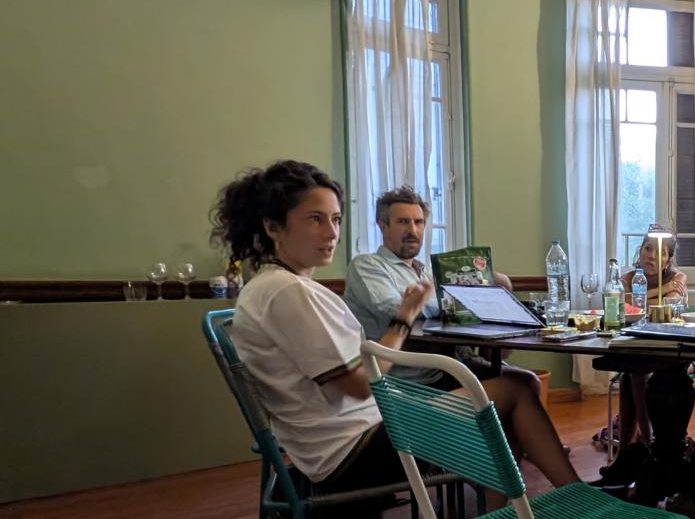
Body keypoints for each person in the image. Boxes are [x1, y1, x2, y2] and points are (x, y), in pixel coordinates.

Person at [210, 161, 579, 497]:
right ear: (273, 227)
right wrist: (404, 317)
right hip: (355, 449)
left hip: (352, 435)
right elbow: (360, 385)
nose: (331, 232)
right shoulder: (288, 292)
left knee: (505, 392)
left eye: (335, 219)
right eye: (315, 219)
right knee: (514, 389)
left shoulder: (272, 286)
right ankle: (571, 499)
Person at [344, 185, 518, 390]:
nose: (412, 230)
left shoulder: (427, 273)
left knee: (524, 379)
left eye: (418, 222)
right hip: (408, 380)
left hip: (451, 366)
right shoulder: (367, 265)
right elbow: (396, 308)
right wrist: (463, 301)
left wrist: (490, 284)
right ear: (383, 226)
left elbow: (428, 307)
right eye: (403, 222)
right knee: (517, 386)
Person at [611, 234, 690, 448]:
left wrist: (646, 298)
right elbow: (624, 305)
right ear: (640, 251)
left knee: (634, 373)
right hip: (638, 347)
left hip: (676, 352)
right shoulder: (628, 277)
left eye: (660, 252)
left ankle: (645, 443)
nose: (652, 255)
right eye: (648, 248)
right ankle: (641, 445)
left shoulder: (678, 277)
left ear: (668, 260)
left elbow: (666, 306)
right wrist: (662, 290)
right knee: (633, 372)